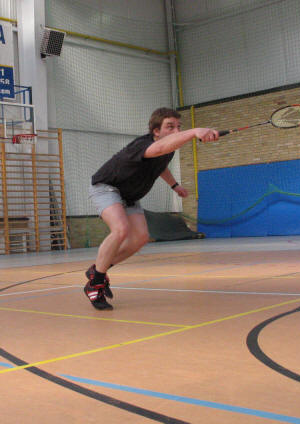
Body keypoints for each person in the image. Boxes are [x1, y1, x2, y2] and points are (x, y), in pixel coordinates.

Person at [84, 107, 219, 310]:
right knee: (121, 230)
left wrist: (175, 185)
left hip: (130, 196)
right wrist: (194, 131)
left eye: (179, 127)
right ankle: (95, 284)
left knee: (140, 238)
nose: (176, 131)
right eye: (170, 127)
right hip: (107, 187)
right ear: (156, 131)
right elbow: (157, 151)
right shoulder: (143, 145)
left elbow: (160, 165)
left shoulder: (167, 151)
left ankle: (97, 270)